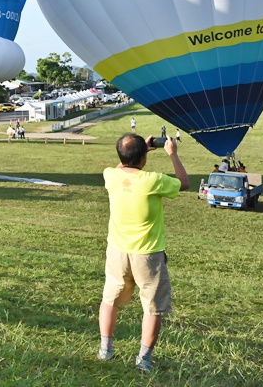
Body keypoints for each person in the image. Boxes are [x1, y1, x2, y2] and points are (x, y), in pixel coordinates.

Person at [98, 134, 189, 372]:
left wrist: (138, 152)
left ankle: (105, 351)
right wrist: (172, 154)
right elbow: (184, 183)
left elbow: (122, 166)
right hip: (148, 254)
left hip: (117, 252)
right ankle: (144, 360)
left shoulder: (110, 175)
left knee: (110, 300)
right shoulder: (153, 180)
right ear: (143, 157)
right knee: (153, 306)